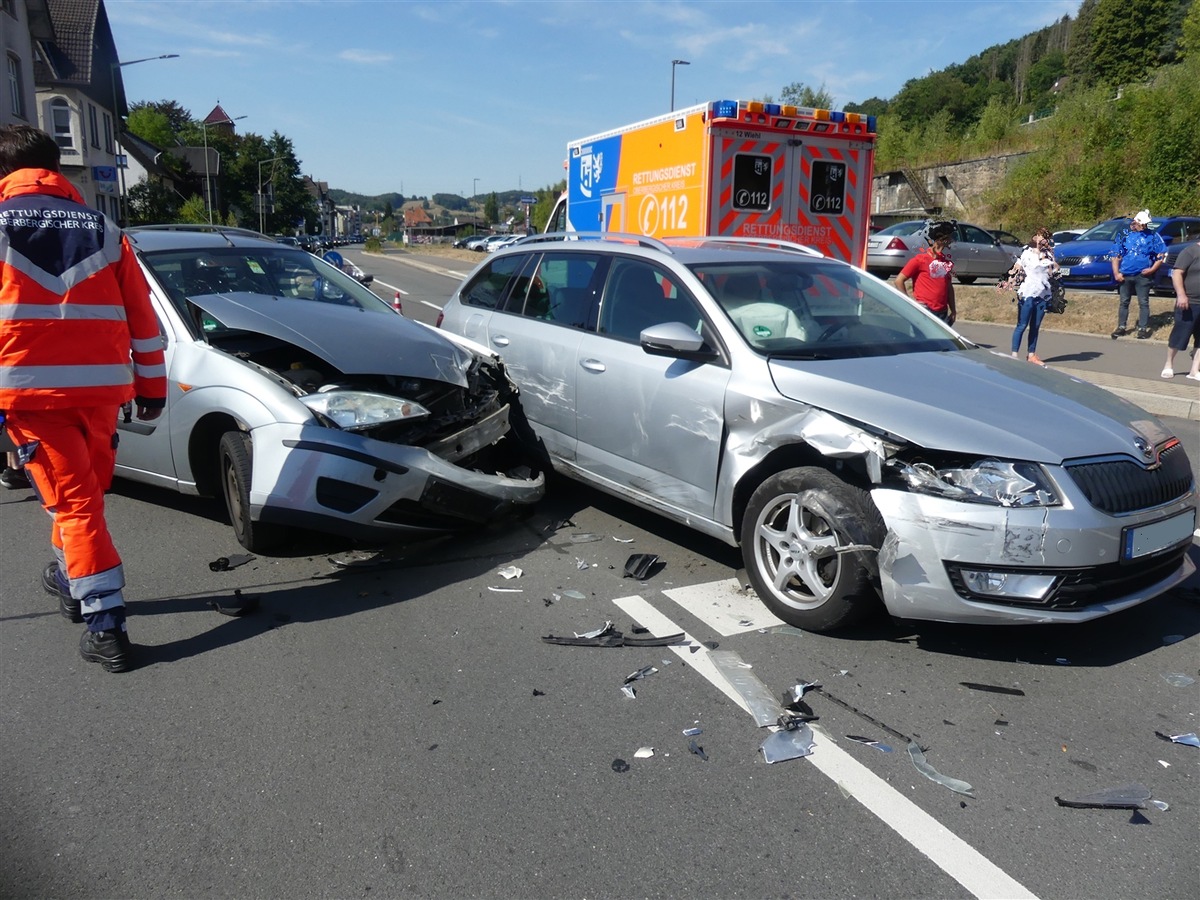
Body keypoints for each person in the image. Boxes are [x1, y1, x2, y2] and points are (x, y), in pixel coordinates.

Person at [0, 125, 167, 673]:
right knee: (81, 498)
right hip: (100, 391)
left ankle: (106, 625)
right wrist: (152, 388)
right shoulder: (104, 229)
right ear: (57, 169)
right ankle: (74, 580)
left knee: (75, 505)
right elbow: (144, 320)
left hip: (30, 395)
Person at [1110, 209, 1167, 340]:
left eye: (1145, 225)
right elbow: (1115, 256)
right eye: (1141, 224)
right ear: (1135, 222)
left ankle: (1142, 328)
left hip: (1143, 276)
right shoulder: (1124, 236)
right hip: (1125, 274)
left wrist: (1152, 270)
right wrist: (1116, 273)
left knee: (1143, 302)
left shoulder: (1153, 236)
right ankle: (1121, 327)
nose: (1143, 227)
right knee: (1124, 301)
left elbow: (1161, 256)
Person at [1006, 227, 1059, 367]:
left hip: (1042, 294)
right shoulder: (1026, 253)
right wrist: (1011, 279)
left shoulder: (1049, 255)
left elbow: (1053, 271)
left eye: (1046, 238)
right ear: (1035, 238)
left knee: (1035, 326)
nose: (1043, 240)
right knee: (1022, 325)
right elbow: (1017, 268)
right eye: (1041, 236)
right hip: (1028, 293)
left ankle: (1031, 354)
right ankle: (1014, 354)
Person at [894, 219, 957, 325]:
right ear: (941, 239)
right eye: (949, 238)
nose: (951, 241)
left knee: (941, 341)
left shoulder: (944, 262)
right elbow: (899, 280)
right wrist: (909, 303)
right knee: (923, 341)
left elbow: (949, 287)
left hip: (942, 312)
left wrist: (953, 310)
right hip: (924, 311)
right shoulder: (920, 260)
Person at [1160, 239, 1200, 381]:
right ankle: (1168, 364)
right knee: (1179, 335)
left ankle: (1194, 370)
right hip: (1189, 302)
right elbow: (1177, 273)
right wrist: (1181, 295)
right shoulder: (1190, 251)